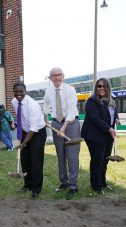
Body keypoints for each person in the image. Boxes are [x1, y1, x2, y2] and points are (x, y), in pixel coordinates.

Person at [44, 67, 81, 197]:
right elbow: (46, 105)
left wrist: (64, 127)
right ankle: (64, 182)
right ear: (50, 78)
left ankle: (73, 185)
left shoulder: (70, 90)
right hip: (56, 123)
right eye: (53, 75)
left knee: (72, 156)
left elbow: (72, 109)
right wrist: (45, 118)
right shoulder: (48, 91)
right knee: (60, 156)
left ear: (63, 76)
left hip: (71, 124)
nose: (56, 77)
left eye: (59, 74)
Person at [81, 78, 118, 194]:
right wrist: (109, 128)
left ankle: (103, 182)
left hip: (107, 135)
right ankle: (96, 186)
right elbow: (96, 119)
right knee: (97, 160)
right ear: (96, 88)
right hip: (94, 136)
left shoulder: (111, 101)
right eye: (99, 86)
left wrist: (116, 118)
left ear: (108, 88)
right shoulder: (91, 101)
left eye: (104, 86)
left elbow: (112, 114)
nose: (102, 88)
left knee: (105, 160)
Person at [11, 82, 47, 199]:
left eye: (21, 91)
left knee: (36, 160)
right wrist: (17, 124)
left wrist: (23, 143)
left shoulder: (32, 105)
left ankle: (36, 188)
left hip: (37, 133)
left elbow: (33, 128)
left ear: (25, 91)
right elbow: (21, 117)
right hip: (26, 131)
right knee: (25, 160)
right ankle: (28, 185)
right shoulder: (14, 102)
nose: (18, 94)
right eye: (16, 91)